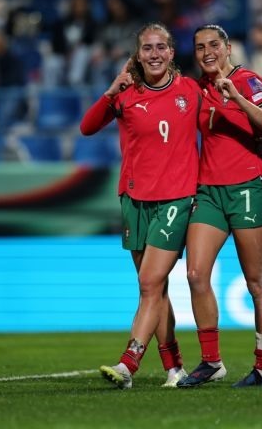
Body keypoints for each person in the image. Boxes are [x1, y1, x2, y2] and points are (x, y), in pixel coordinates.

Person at [80, 23, 201, 389]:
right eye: (147, 48)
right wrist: (110, 91)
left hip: (176, 198)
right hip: (135, 199)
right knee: (154, 288)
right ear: (137, 55)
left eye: (160, 47)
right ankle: (174, 368)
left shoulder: (190, 91)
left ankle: (128, 363)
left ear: (171, 52)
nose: (154, 54)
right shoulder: (127, 94)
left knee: (150, 282)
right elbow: (87, 127)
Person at [177, 24, 262, 388]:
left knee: (257, 280)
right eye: (200, 46)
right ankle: (211, 362)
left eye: (213, 45)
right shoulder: (197, 89)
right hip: (209, 192)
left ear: (228, 47)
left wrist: (236, 96)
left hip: (247, 188)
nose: (207, 52)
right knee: (194, 275)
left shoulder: (248, 79)